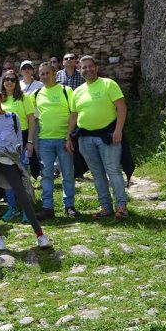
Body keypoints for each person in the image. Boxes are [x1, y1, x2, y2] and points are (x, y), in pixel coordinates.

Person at [0, 89, 51, 251]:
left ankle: (40, 234)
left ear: (1, 98)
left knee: (22, 195)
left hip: (10, 160)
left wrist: (12, 153)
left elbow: (18, 141)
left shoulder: (13, 117)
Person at [68, 55, 129, 219]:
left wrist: (118, 131)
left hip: (108, 136)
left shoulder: (108, 84)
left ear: (96, 67)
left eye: (90, 66)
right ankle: (105, 207)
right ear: (80, 71)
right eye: (83, 67)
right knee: (97, 174)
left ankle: (121, 207)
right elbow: (73, 116)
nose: (87, 69)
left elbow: (121, 108)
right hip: (85, 138)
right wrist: (68, 137)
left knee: (113, 171)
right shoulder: (77, 92)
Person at [33, 62, 78, 220]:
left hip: (64, 139)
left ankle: (69, 206)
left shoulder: (66, 90)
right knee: (46, 175)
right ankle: (48, 208)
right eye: (42, 74)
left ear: (54, 74)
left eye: (47, 73)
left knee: (67, 174)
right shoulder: (36, 93)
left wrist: (69, 136)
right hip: (44, 140)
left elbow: (74, 113)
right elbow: (32, 117)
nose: (45, 76)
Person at [0, 70, 37, 222]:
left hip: (21, 138)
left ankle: (26, 209)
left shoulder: (24, 98)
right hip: (4, 141)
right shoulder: (0, 99)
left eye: (12, 79)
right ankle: (12, 207)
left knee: (22, 175)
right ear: (2, 82)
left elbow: (31, 120)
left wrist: (30, 141)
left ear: (16, 82)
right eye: (6, 79)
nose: (9, 82)